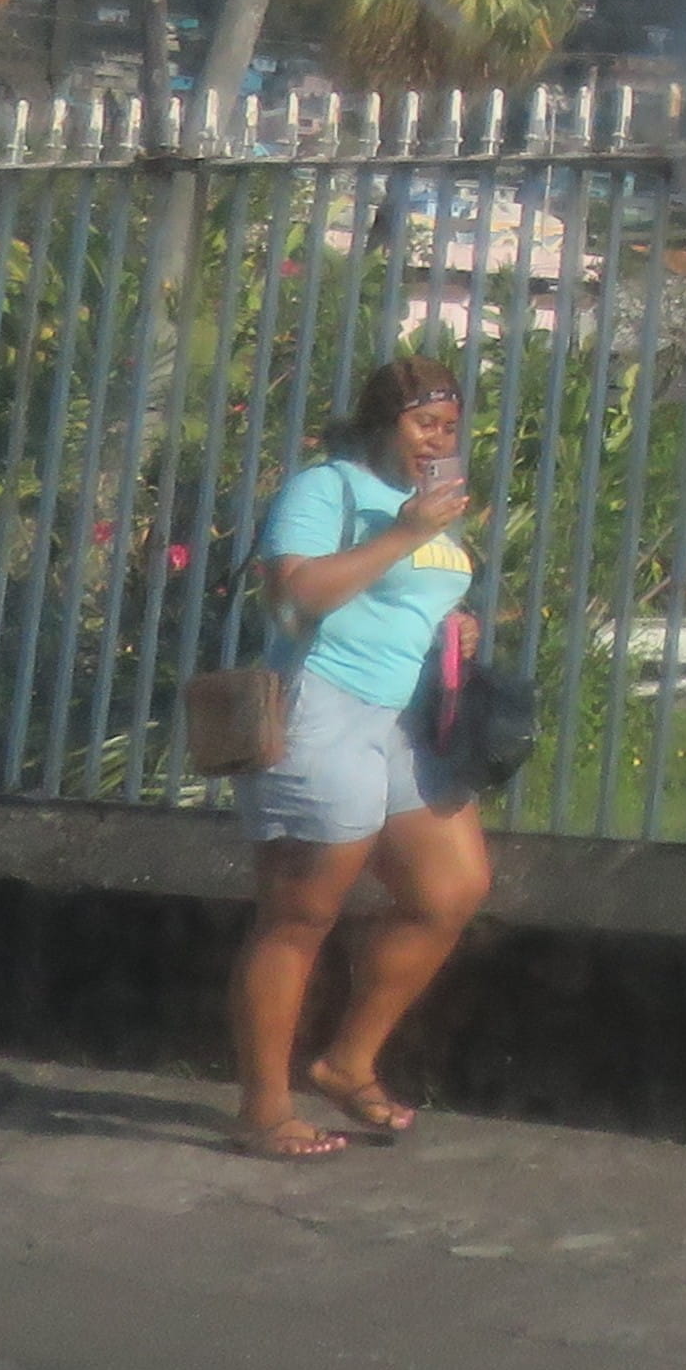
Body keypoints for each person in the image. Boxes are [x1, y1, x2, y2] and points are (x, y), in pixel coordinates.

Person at [228, 353, 490, 1161]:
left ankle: (346, 1061)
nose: (438, 439)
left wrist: (453, 624)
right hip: (321, 710)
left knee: (449, 890)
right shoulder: (328, 488)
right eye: (424, 423)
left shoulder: (430, 506)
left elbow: (408, 595)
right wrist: (406, 532)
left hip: (400, 721)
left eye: (449, 426)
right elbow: (295, 593)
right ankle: (264, 1109)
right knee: (300, 915)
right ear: (382, 423)